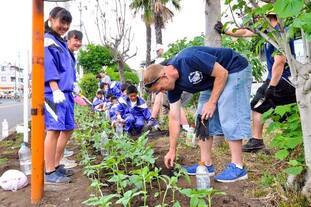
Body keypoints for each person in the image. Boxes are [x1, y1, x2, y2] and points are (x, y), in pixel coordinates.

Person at [144, 46, 252, 182]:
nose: (162, 92)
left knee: (229, 112)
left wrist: (212, 103)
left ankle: (238, 167)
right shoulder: (173, 87)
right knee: (201, 116)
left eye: (160, 88)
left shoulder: (188, 59)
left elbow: (222, 73)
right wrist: (172, 150)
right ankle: (205, 165)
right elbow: (174, 118)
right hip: (212, 81)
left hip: (233, 69)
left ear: (163, 76)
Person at [214, 13, 296, 152]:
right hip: (279, 78)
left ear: (269, 17)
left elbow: (280, 62)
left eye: (257, 18)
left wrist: (272, 86)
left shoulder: (280, 33)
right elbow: (245, 32)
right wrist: (225, 30)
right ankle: (290, 141)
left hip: (283, 79)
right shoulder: (267, 32)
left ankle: (257, 141)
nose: (255, 21)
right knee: (279, 111)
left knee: (258, 105)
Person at [44, 7, 74, 184]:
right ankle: (49, 172)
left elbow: (67, 68)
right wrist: (55, 89)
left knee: (68, 128)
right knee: (54, 130)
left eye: (67, 23)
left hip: (66, 93)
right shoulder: (48, 41)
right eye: (62, 22)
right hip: (53, 93)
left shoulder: (60, 42)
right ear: (51, 19)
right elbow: (49, 66)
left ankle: (55, 164)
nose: (64, 26)